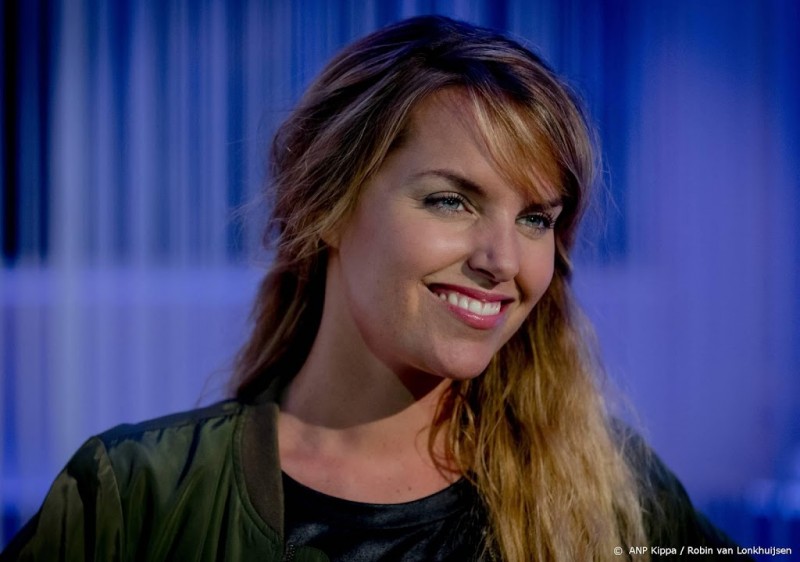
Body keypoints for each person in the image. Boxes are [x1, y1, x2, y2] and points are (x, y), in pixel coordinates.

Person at [2, 15, 752, 562]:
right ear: (327, 207)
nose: (503, 260)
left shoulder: (611, 493)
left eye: (535, 219)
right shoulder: (134, 497)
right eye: (451, 201)